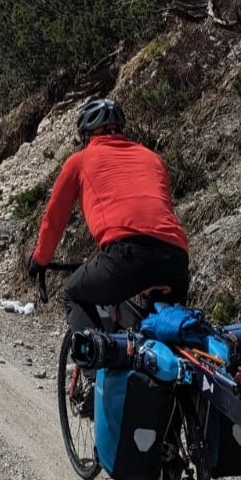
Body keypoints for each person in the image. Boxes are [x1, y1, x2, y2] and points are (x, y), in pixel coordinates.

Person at [26, 98, 190, 335]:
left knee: (73, 293)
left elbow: (54, 218)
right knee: (164, 330)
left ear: (86, 135)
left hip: (126, 254)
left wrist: (40, 259)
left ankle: (94, 370)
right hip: (175, 256)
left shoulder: (79, 161)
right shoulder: (152, 158)